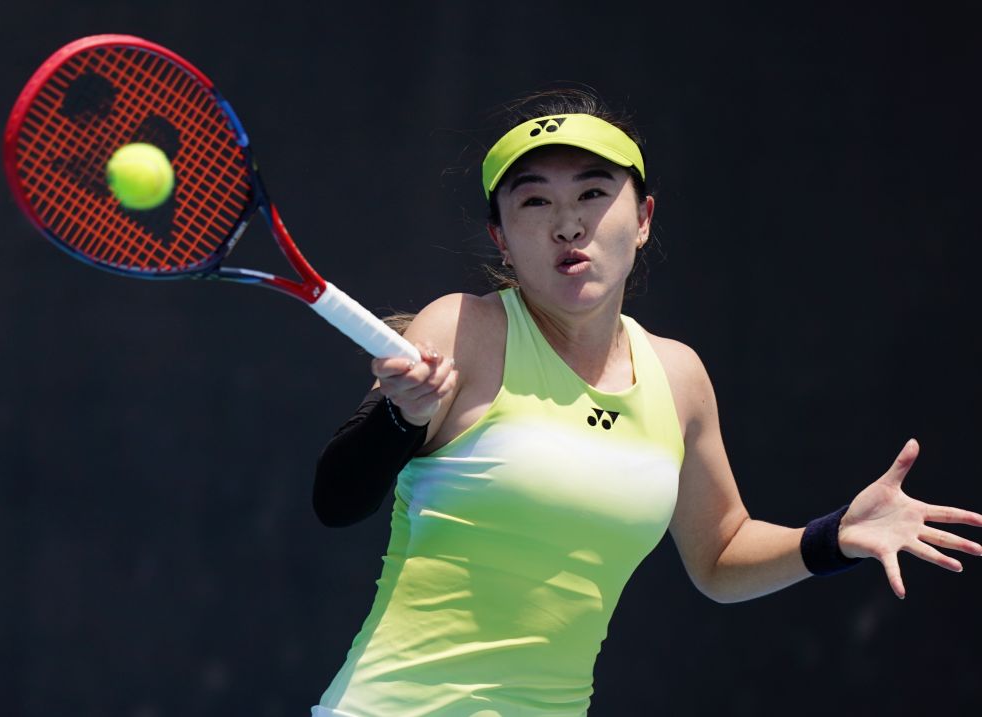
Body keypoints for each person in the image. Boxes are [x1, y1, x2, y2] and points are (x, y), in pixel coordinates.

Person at [309, 90, 982, 717]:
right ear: (502, 239)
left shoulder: (678, 375)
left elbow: (720, 554)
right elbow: (336, 501)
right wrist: (399, 417)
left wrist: (832, 538)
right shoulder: (462, 329)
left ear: (642, 219)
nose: (568, 224)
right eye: (534, 202)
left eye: (593, 193)